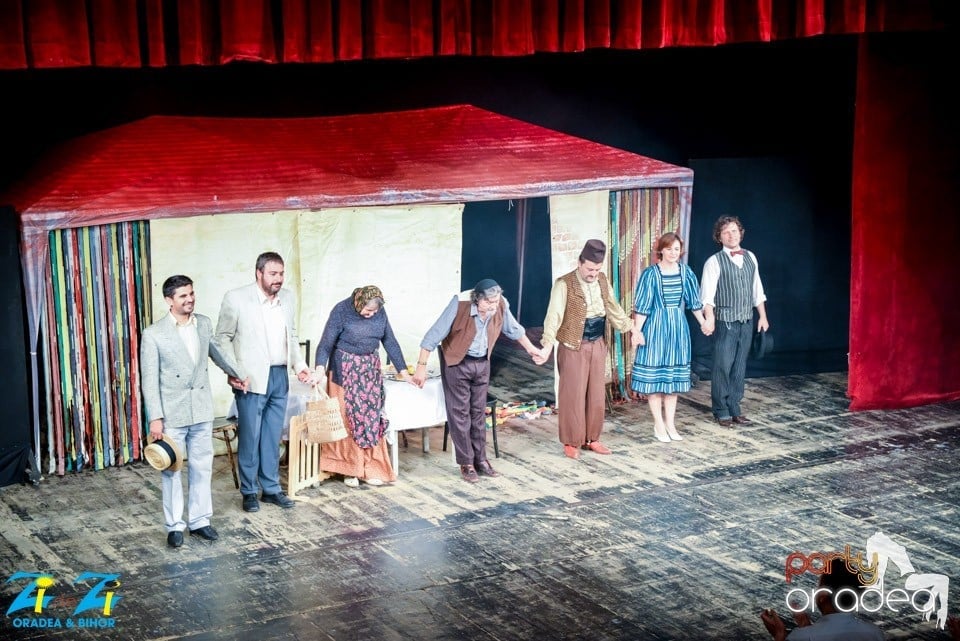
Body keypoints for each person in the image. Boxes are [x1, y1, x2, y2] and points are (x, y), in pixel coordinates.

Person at [412, 279, 543, 483]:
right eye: (488, 302)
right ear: (476, 299)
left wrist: (532, 349)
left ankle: (481, 459)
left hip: (482, 363)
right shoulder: (459, 304)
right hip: (457, 363)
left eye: (495, 301)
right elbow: (433, 336)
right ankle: (466, 463)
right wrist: (421, 367)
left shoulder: (500, 305)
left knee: (478, 412)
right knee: (460, 414)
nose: (493, 306)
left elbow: (514, 330)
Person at [213, 252, 312, 513]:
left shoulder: (287, 297)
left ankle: (271, 489)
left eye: (281, 274)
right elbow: (222, 338)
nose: (278, 279)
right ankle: (248, 491)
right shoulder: (236, 298)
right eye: (273, 274)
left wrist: (299, 366)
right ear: (259, 273)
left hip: (280, 375)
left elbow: (291, 335)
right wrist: (234, 371)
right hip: (251, 379)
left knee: (272, 436)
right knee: (250, 436)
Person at [140, 275, 235, 548]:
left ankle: (200, 521)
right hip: (173, 413)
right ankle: (174, 526)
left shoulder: (203, 323)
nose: (190, 299)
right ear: (169, 300)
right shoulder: (154, 334)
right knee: (171, 469)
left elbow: (217, 354)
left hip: (201, 409)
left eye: (191, 293)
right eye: (183, 295)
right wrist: (155, 418)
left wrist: (236, 375)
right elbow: (149, 380)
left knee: (202, 467)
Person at [538, 239, 638, 459]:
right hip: (573, 345)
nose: (593, 273)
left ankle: (592, 438)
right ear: (579, 263)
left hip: (597, 343)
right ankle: (571, 441)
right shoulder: (564, 284)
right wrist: (547, 345)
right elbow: (553, 317)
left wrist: (631, 328)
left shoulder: (602, 280)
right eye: (590, 269)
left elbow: (613, 308)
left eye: (597, 269)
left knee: (596, 394)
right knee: (572, 394)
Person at [314, 286, 415, 487]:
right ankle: (349, 470)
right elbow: (325, 344)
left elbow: (390, 341)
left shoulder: (380, 312)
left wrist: (403, 371)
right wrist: (319, 369)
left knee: (370, 419)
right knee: (348, 419)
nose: (371, 315)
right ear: (358, 303)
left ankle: (371, 468)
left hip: (369, 371)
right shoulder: (341, 310)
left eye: (374, 312)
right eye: (368, 311)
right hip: (344, 371)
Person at [631, 232, 711, 442]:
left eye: (677, 249)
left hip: (677, 328)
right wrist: (637, 331)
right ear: (661, 250)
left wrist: (703, 322)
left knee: (673, 381)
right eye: (669, 249)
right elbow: (642, 307)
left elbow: (694, 303)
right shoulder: (650, 274)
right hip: (656, 327)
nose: (673, 253)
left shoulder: (685, 272)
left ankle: (670, 424)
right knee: (655, 380)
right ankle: (658, 424)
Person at [700, 216, 769, 427]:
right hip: (725, 322)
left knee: (739, 366)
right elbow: (707, 297)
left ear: (740, 233)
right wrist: (709, 319)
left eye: (734, 231)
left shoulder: (750, 257)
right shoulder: (714, 262)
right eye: (726, 232)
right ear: (719, 237)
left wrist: (763, 316)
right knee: (722, 365)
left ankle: (735, 407)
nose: (731, 235)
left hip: (746, 320)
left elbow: (757, 290)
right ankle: (721, 409)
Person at [760, 562, 884, 640]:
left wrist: (780, 636)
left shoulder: (801, 637)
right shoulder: (875, 634)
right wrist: (806, 628)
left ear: (823, 595)